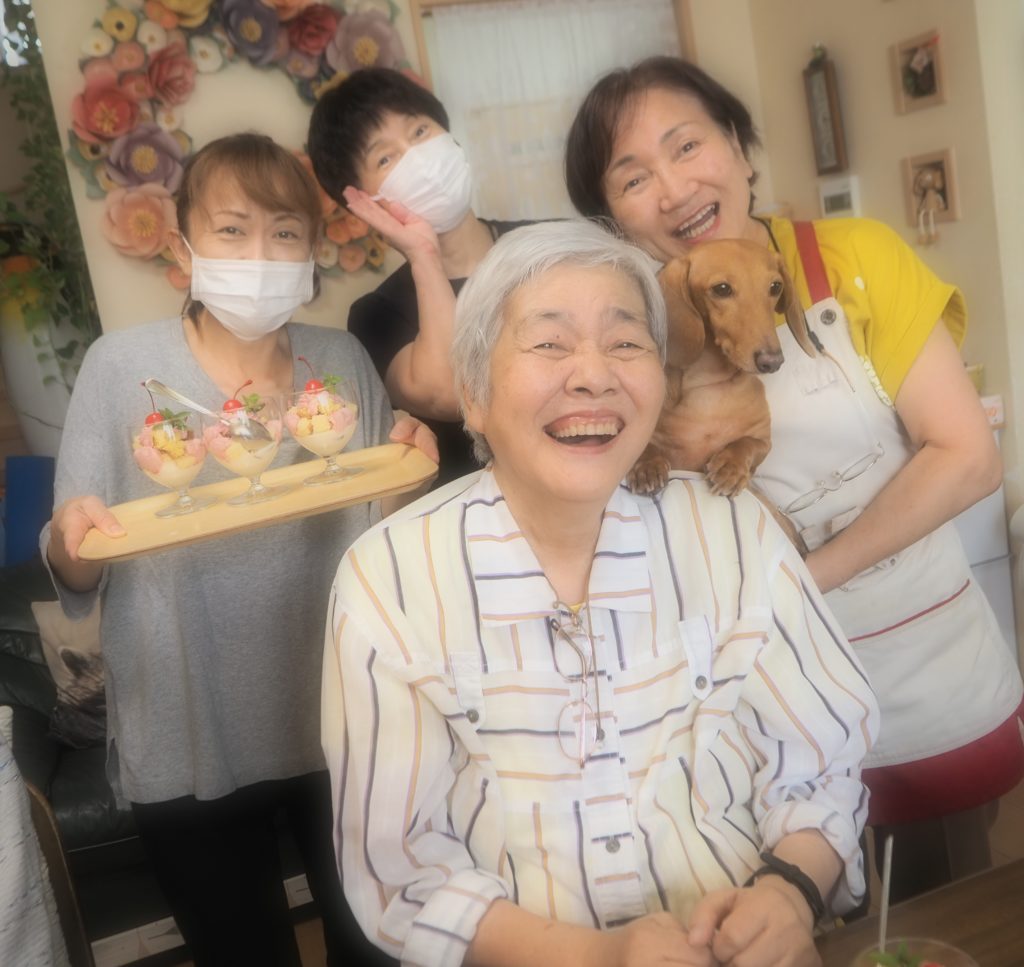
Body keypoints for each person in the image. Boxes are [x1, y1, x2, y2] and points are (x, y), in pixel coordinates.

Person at [321, 220, 880, 967]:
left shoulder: (737, 529)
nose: (594, 375)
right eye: (549, 343)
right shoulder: (388, 577)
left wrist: (790, 893)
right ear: (473, 396)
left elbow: (822, 763)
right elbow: (402, 868)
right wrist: (598, 956)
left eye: (625, 342)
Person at [564, 55, 1024, 903]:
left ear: (740, 148)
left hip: (914, 685)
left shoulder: (853, 258)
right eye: (633, 177)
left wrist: (800, 582)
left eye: (687, 146)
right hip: (742, 729)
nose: (673, 190)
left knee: (941, 923)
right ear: (612, 217)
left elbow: (966, 458)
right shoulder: (617, 330)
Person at [42, 133, 435, 966]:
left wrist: (405, 471)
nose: (259, 255)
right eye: (230, 230)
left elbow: (381, 540)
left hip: (338, 717)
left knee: (376, 942)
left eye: (284, 232)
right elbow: (74, 561)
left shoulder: (340, 362)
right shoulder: (122, 369)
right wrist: (74, 535)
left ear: (311, 251)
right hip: (187, 723)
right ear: (182, 246)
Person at [307, 67, 532, 484]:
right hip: (469, 515)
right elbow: (450, 394)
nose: (418, 158)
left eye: (420, 131)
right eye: (385, 158)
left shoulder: (548, 246)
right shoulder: (377, 315)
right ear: (362, 203)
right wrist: (423, 256)